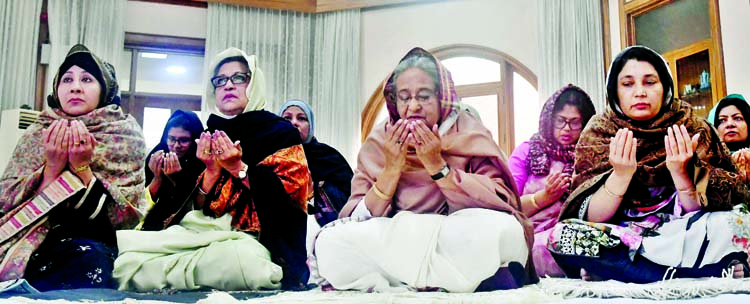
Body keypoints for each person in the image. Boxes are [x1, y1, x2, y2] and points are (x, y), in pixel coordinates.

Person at [310, 47, 537, 293]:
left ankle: (410, 279)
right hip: (395, 238)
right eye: (405, 97)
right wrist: (390, 172)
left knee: (506, 230)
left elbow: (500, 202)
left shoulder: (468, 132)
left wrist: (438, 167)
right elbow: (356, 217)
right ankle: (460, 279)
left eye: (424, 96)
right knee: (330, 243)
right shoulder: (379, 141)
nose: (413, 106)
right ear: (394, 101)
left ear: (442, 99)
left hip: (451, 233)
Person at [114, 48, 313, 291]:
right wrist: (210, 171)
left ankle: (182, 273)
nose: (228, 86)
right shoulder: (210, 134)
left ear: (255, 84)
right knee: (128, 260)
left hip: (254, 241)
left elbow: (290, 202)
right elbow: (195, 208)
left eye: (239, 78)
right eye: (220, 81)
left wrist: (238, 168)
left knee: (241, 261)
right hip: (201, 234)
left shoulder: (280, 134)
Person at [548, 45, 749, 283]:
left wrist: (681, 174)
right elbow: (591, 217)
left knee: (739, 220)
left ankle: (617, 270)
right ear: (615, 91)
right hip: (623, 234)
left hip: (684, 230)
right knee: (563, 235)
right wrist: (620, 176)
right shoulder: (598, 132)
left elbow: (715, 203)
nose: (640, 92)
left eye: (650, 82)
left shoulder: (692, 127)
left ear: (665, 87)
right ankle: (698, 270)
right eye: (628, 84)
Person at [0, 44, 147, 291]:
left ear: (105, 91)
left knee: (89, 261)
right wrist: (51, 170)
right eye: (67, 79)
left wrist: (82, 169)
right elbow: (6, 199)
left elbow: (120, 221)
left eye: (87, 79)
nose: (75, 86)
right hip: (26, 241)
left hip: (91, 243)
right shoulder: (38, 131)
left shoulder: (125, 135)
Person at [508, 84, 596, 277]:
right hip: (528, 236)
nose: (566, 129)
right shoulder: (527, 151)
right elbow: (505, 206)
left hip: (576, 233)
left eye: (575, 122)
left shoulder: (594, 153)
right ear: (549, 119)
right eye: (560, 121)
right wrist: (543, 197)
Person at [279, 100, 353, 227]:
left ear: (311, 126)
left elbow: (350, 198)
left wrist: (315, 190)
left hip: (324, 228)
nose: (294, 123)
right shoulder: (268, 157)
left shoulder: (328, 156)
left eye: (301, 118)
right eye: (287, 118)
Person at [140, 110, 205, 231]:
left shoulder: (202, 161)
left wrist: (178, 180)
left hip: (190, 224)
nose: (176, 146)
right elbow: (141, 203)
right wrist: (157, 178)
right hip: (153, 219)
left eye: (184, 140)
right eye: (171, 139)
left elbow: (198, 207)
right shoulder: (158, 155)